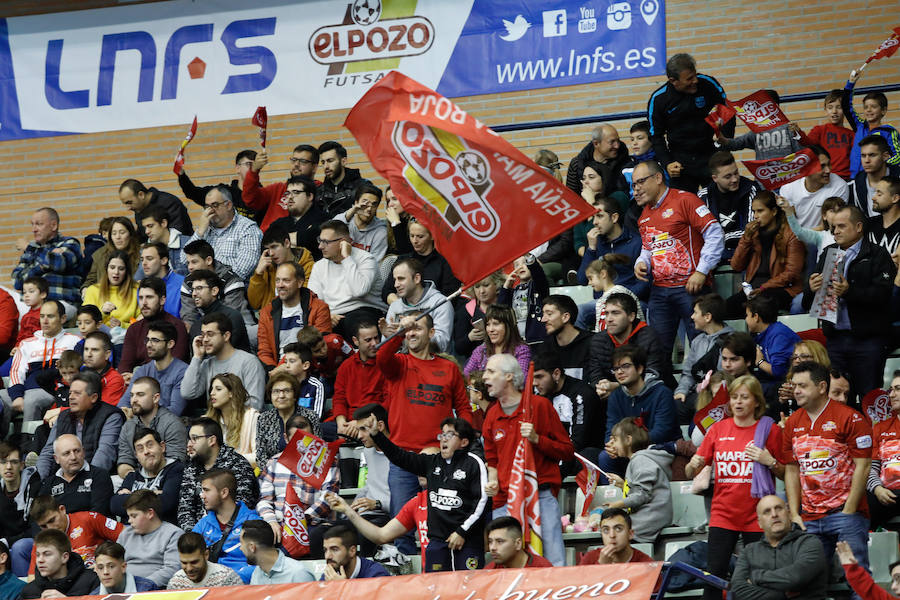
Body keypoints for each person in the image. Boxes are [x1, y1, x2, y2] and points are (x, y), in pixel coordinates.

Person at [376, 311, 473, 554]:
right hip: (403, 457)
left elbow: (462, 407)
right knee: (402, 527)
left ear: (431, 333)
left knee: (444, 521)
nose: (411, 333)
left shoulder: (449, 368)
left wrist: (464, 440)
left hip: (441, 458)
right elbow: (381, 358)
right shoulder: (399, 363)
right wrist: (397, 333)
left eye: (417, 328)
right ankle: (408, 576)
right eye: (408, 330)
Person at [685, 375, 784, 600]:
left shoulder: (770, 430)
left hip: (758, 516)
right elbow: (691, 472)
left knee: (761, 576)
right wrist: (693, 465)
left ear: (757, 402)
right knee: (713, 575)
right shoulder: (718, 429)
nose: (737, 402)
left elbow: (786, 473)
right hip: (723, 515)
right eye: (734, 397)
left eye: (744, 397)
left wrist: (770, 462)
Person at [783, 361, 872, 597]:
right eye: (795, 386)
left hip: (846, 514)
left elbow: (863, 466)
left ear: (822, 387)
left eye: (802, 385)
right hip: (809, 519)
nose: (797, 391)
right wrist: (794, 513)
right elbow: (791, 470)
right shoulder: (792, 423)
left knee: (858, 581)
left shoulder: (850, 418)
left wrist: (849, 510)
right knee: (806, 586)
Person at [362, 415, 488, 572]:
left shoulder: (474, 463)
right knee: (435, 591)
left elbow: (482, 501)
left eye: (450, 435)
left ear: (464, 442)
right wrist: (377, 435)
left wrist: (462, 531)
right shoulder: (432, 462)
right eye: (442, 435)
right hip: (437, 543)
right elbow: (400, 457)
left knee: (469, 590)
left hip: (466, 540)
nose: (444, 439)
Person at [482, 353, 574, 567]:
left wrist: (537, 439)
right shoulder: (491, 415)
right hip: (504, 500)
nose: (484, 377)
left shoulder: (540, 406)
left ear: (508, 377)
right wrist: (493, 480)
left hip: (538, 496)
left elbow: (567, 451)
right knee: (505, 564)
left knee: (553, 562)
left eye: (490, 371)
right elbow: (492, 459)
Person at [803, 206, 896, 400]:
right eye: (833, 227)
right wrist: (810, 289)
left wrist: (849, 292)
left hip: (868, 340)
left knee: (869, 396)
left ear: (859, 227)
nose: (835, 231)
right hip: (835, 339)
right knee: (835, 396)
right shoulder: (829, 253)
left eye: (841, 226)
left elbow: (883, 295)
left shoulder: (877, 255)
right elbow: (809, 302)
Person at [633, 160, 724, 356]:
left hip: (691, 288)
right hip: (659, 291)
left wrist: (702, 271)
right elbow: (649, 246)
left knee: (702, 348)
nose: (636, 189)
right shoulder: (644, 215)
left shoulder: (685, 200)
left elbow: (715, 233)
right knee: (656, 352)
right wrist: (641, 261)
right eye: (634, 185)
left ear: (658, 178)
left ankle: (704, 386)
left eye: (640, 182)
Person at [255, 413, 339, 559]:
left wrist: (299, 520)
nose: (304, 445)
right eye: (297, 440)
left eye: (308, 439)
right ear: (286, 439)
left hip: (313, 523)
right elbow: (264, 499)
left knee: (315, 536)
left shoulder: (328, 461)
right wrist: (271, 520)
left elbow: (329, 498)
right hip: (279, 523)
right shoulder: (274, 463)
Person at [647, 53, 733, 192]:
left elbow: (727, 114)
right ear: (673, 80)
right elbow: (656, 136)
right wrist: (667, 163)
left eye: (695, 75)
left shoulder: (708, 84)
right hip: (681, 162)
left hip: (711, 155)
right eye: (689, 79)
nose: (695, 81)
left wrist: (725, 148)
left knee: (723, 202)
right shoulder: (659, 99)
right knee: (685, 208)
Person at [599, 345, 680, 480]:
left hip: (659, 449)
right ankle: (613, 498)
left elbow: (662, 432)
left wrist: (627, 445)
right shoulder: (616, 396)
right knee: (605, 457)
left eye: (625, 366)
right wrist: (612, 444)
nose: (620, 372)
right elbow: (611, 429)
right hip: (627, 449)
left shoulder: (661, 393)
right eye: (616, 369)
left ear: (640, 368)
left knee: (641, 456)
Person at [730, 495, 827, 600]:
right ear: (759, 523)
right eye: (767, 511)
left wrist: (755, 576)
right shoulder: (749, 551)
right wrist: (781, 596)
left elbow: (796, 577)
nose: (774, 514)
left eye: (778, 508)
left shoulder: (809, 542)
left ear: (789, 514)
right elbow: (737, 588)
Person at [727, 191, 806, 317]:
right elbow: (736, 266)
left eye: (760, 211)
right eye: (754, 211)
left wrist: (764, 288)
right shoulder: (752, 234)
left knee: (760, 303)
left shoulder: (792, 235)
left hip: (781, 289)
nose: (755, 216)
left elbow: (791, 273)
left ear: (774, 212)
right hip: (753, 290)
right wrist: (746, 238)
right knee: (727, 307)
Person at [36, 371, 124, 482]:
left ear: (93, 397)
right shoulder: (63, 417)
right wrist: (38, 480)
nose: (71, 397)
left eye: (77, 393)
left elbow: (105, 453)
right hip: (65, 478)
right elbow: (49, 452)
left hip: (98, 480)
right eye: (70, 393)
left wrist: (84, 481)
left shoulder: (111, 416)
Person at [2, 300, 80, 422]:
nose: (45, 321)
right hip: (25, 389)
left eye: (50, 316)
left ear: (63, 318)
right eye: (42, 316)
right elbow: (17, 372)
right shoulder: (27, 344)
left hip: (55, 390)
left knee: (32, 400)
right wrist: (17, 396)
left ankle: (28, 439)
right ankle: (4, 440)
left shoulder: (74, 341)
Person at [308, 219, 385, 340]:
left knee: (354, 322)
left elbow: (359, 291)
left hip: (364, 311)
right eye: (320, 240)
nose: (320, 246)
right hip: (333, 315)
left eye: (326, 242)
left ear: (342, 242)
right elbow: (314, 300)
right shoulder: (319, 266)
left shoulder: (366, 259)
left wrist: (347, 259)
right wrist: (327, 315)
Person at [178, 418, 258, 531]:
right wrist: (194, 536)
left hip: (233, 532)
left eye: (194, 439)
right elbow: (185, 508)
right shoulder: (192, 465)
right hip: (199, 533)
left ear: (212, 440)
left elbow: (241, 505)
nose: (189, 444)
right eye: (189, 439)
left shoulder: (237, 464)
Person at [602, 417, 672, 542]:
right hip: (650, 516)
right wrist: (623, 485)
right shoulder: (640, 459)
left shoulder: (640, 460)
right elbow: (641, 491)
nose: (612, 444)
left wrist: (617, 505)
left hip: (649, 518)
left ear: (628, 440)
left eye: (615, 440)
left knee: (613, 533)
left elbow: (642, 495)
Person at [181, 313, 266, 411]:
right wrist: (197, 357)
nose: (205, 340)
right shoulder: (206, 364)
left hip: (242, 423)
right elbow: (187, 393)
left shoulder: (249, 362)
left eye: (210, 334)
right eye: (203, 335)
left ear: (226, 336)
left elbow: (255, 405)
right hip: (215, 424)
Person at [192, 469, 260, 584]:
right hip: (211, 587)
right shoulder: (202, 526)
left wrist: (229, 579)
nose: (202, 496)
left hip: (244, 588)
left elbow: (262, 563)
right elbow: (190, 558)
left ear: (224, 492)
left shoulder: (253, 522)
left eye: (206, 490)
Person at [258, 262, 331, 369]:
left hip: (309, 366)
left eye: (286, 280)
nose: (280, 285)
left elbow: (319, 347)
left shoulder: (319, 308)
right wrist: (273, 371)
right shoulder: (267, 312)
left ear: (300, 283)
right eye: (277, 280)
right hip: (280, 369)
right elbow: (264, 351)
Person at [588, 292, 667, 390]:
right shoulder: (598, 340)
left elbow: (653, 376)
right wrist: (601, 388)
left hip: (651, 395)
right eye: (606, 313)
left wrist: (616, 389)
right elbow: (595, 375)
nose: (609, 319)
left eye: (615, 313)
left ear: (631, 316)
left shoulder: (649, 337)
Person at [184, 185, 262, 282]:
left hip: (236, 291)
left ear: (228, 205)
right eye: (207, 207)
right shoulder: (205, 229)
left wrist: (208, 264)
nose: (210, 210)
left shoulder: (248, 229)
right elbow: (183, 261)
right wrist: (200, 232)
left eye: (215, 205)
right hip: (204, 290)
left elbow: (241, 271)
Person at [115, 377, 187, 479]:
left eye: (140, 395)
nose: (134, 400)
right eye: (132, 395)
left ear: (155, 398)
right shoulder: (128, 426)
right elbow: (124, 461)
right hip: (136, 478)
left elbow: (176, 463)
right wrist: (133, 478)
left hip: (168, 479)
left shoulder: (172, 424)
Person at [533, 351, 604, 453]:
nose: (534, 383)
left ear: (556, 374)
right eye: (532, 377)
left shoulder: (582, 395)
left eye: (539, 377)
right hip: (557, 452)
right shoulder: (541, 396)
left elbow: (577, 443)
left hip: (583, 456)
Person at [674, 294, 734, 414]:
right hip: (699, 394)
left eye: (695, 313)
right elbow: (688, 373)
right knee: (675, 406)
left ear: (707, 317)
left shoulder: (732, 340)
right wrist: (681, 391)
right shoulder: (698, 341)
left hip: (723, 396)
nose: (692, 317)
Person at [111, 427, 184, 524]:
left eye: (150, 445)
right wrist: (153, 494)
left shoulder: (176, 470)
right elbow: (115, 504)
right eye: (140, 449)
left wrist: (130, 496)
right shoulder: (132, 476)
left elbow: (166, 503)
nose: (146, 452)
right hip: (131, 533)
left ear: (162, 447)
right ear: (136, 456)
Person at [118, 278, 189, 378]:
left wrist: (137, 376)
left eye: (149, 297)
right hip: (135, 384)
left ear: (162, 300)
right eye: (141, 298)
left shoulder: (176, 327)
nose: (144, 303)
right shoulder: (134, 329)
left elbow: (175, 367)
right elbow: (125, 365)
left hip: (166, 383)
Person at [575, 195, 647, 295]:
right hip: (602, 302)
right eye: (593, 217)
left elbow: (644, 283)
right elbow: (582, 280)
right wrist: (591, 249)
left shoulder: (636, 242)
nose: (594, 222)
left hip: (630, 302)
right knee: (581, 310)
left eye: (599, 216)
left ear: (614, 218)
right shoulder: (595, 243)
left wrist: (624, 298)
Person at [179, 240, 255, 333]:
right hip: (209, 331)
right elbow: (189, 316)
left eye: (194, 262)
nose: (190, 267)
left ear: (209, 260)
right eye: (188, 263)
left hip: (243, 328)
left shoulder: (231, 280)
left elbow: (232, 316)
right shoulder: (188, 282)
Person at [12, 208, 83, 308]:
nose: (34, 229)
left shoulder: (69, 243)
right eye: (32, 224)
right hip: (32, 305)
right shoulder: (31, 249)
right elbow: (17, 282)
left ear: (53, 226)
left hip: (62, 303)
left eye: (39, 224)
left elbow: (59, 264)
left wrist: (30, 248)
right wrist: (41, 267)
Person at [698, 151, 762, 261]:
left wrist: (721, 239)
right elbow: (703, 235)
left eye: (736, 173)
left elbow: (751, 230)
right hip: (715, 257)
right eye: (728, 176)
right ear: (715, 178)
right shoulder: (704, 196)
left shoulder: (750, 189)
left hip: (746, 254)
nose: (735, 179)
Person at [381, 258, 453, 352]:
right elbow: (385, 354)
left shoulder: (440, 303)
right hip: (402, 364)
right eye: (395, 280)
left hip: (432, 363)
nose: (396, 285)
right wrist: (389, 338)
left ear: (416, 278)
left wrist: (406, 332)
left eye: (401, 279)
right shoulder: (395, 306)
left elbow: (441, 345)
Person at [243, 144, 321, 231]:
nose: (296, 164)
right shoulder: (277, 189)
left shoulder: (321, 190)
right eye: (294, 160)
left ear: (314, 167)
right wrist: (254, 171)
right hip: (269, 240)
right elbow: (250, 199)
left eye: (302, 161)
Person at [381, 220, 461, 304]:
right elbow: (386, 292)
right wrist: (402, 307)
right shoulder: (403, 259)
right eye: (412, 236)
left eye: (420, 236)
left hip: (434, 312)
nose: (415, 241)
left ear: (432, 236)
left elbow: (450, 296)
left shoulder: (444, 263)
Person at [119, 321, 188, 416]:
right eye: (147, 340)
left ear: (170, 344)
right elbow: (123, 404)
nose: (148, 345)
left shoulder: (182, 371)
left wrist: (138, 414)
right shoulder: (142, 371)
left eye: (155, 340)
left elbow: (175, 410)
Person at [842, 68, 899, 178]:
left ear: (883, 110)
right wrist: (850, 83)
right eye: (866, 107)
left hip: (878, 179)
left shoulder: (888, 132)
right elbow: (846, 106)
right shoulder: (859, 125)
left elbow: (898, 156)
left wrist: (882, 165)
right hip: (855, 178)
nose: (868, 110)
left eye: (873, 107)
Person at [178, 149, 261, 224]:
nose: (253, 168)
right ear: (237, 168)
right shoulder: (222, 192)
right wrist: (181, 173)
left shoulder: (263, 195)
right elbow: (192, 192)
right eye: (248, 164)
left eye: (256, 165)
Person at [332, 321, 386, 438]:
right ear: (356, 341)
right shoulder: (346, 366)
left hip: (374, 421)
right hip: (348, 422)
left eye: (376, 338)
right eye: (368, 340)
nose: (375, 343)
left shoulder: (386, 364)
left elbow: (387, 402)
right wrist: (341, 423)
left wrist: (359, 423)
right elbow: (339, 398)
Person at [38, 434, 115, 515]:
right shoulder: (49, 483)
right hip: (58, 527)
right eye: (67, 453)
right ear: (56, 459)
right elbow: (40, 516)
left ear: (84, 452)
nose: (73, 457)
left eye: (77, 451)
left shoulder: (99, 475)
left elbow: (97, 514)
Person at [255, 372, 320, 467]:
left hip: (305, 471)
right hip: (273, 473)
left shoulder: (310, 416)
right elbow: (261, 456)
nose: (281, 396)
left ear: (295, 395)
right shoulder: (264, 419)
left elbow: (318, 450)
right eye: (276, 391)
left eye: (286, 391)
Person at [745, 294, 801, 398]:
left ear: (756, 317)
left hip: (787, 384)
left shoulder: (779, 334)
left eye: (747, 315)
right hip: (773, 381)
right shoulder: (764, 334)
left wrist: (760, 362)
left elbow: (778, 371)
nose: (746, 320)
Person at [779, 146, 850, 229]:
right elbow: (789, 222)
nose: (828, 170)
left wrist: (803, 236)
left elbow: (831, 225)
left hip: (826, 237)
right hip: (796, 237)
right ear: (807, 168)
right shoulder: (789, 186)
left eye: (828, 164)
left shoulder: (839, 186)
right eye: (822, 166)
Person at [248, 225, 315, 310]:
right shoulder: (268, 267)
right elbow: (255, 304)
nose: (271, 253)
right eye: (268, 249)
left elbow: (304, 300)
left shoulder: (307, 265)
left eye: (274, 247)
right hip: (269, 318)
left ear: (287, 243)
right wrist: (258, 274)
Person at [183, 269, 251, 353]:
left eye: (199, 288)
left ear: (214, 291)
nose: (194, 294)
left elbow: (226, 351)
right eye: (193, 289)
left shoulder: (232, 317)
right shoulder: (196, 327)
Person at [20, 529, 99, 599]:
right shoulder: (29, 592)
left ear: (64, 557)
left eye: (47, 554)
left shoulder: (91, 581)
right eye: (37, 555)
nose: (40, 560)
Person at [0, 442, 40, 573]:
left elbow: (35, 529)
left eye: (14, 462)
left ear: (22, 465)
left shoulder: (35, 487)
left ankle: (23, 592)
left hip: (31, 542)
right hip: (6, 543)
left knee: (19, 547)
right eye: (3, 462)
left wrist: (7, 541)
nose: (9, 467)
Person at [867, 372, 900, 529]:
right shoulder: (880, 428)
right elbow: (871, 468)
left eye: (898, 389)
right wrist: (878, 489)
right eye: (891, 390)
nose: (892, 395)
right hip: (886, 493)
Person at [205, 373, 259, 467]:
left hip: (242, 473)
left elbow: (258, 456)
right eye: (211, 389)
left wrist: (229, 460)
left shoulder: (252, 417)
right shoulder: (207, 420)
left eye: (218, 389)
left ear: (231, 393)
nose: (212, 393)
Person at [268, 175, 328, 259]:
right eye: (288, 193)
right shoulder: (278, 224)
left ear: (310, 196)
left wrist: (278, 243)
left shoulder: (325, 219)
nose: (290, 197)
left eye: (296, 192)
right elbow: (266, 246)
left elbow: (312, 238)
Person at [463, 305, 530, 378]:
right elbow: (465, 378)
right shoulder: (480, 351)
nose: (490, 329)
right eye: (488, 324)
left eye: (496, 324)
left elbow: (521, 380)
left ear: (508, 326)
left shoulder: (521, 350)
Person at [240, 520, 314, 584]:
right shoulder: (257, 573)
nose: (240, 548)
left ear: (252, 547)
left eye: (241, 543)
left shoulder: (298, 573)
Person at [538, 294, 593, 380]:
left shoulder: (592, 343)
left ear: (565, 317)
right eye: (543, 314)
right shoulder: (545, 348)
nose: (543, 319)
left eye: (549, 314)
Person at [803, 89, 855, 180]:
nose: (834, 111)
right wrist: (798, 133)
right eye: (830, 107)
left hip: (846, 178)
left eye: (839, 107)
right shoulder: (819, 130)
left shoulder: (851, 134)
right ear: (825, 110)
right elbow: (807, 144)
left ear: (845, 110)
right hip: (825, 177)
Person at [565, 124, 629, 198]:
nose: (617, 146)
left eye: (618, 141)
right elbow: (571, 196)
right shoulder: (577, 164)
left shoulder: (625, 164)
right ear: (596, 143)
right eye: (612, 142)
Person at [119, 178, 193, 242]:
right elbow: (142, 236)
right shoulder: (139, 208)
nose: (128, 208)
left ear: (141, 195)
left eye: (129, 202)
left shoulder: (169, 202)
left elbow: (178, 233)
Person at [498, 253, 550, 344]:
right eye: (517, 265)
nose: (521, 266)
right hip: (516, 341)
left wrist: (529, 258)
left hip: (535, 340)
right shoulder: (512, 292)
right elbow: (501, 310)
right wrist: (506, 287)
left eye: (525, 262)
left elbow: (539, 276)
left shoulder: (537, 287)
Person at [82, 250, 140, 329]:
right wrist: (103, 313)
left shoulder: (137, 290)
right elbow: (85, 322)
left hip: (126, 336)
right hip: (99, 336)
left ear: (127, 271)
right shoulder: (93, 290)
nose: (116, 272)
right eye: (112, 267)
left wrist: (122, 325)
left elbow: (141, 324)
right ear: (106, 269)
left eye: (121, 269)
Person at [81, 217, 140, 291]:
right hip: (105, 297)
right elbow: (91, 279)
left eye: (122, 233)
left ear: (130, 234)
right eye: (114, 233)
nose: (118, 237)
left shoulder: (141, 254)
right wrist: (85, 288)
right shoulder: (100, 254)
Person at [315, 141, 372, 217]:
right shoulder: (319, 192)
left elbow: (367, 217)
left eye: (330, 161)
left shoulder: (362, 187)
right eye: (323, 162)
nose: (326, 166)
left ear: (343, 161)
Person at [578, 508, 654, 565]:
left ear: (630, 534)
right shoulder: (590, 558)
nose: (612, 535)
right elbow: (579, 584)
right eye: (606, 530)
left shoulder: (645, 563)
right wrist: (601, 566)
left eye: (618, 529)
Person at [167, 532, 243, 589]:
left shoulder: (227, 578)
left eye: (194, 562)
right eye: (184, 563)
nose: (189, 568)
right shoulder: (176, 583)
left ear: (206, 555)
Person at [455, 272, 505, 357]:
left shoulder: (506, 305)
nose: (481, 291)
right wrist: (469, 338)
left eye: (486, 285)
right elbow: (458, 348)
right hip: (477, 363)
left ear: (497, 284)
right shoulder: (465, 311)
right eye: (477, 287)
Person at [335, 183, 388, 261]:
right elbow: (331, 231)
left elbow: (374, 264)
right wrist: (353, 210)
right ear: (356, 202)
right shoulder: (345, 220)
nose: (369, 209)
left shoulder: (380, 232)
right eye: (365, 202)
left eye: (374, 204)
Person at [320, 524, 388, 580]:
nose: (327, 556)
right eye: (325, 550)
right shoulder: (331, 574)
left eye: (335, 549)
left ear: (352, 551)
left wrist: (343, 586)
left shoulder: (376, 574)